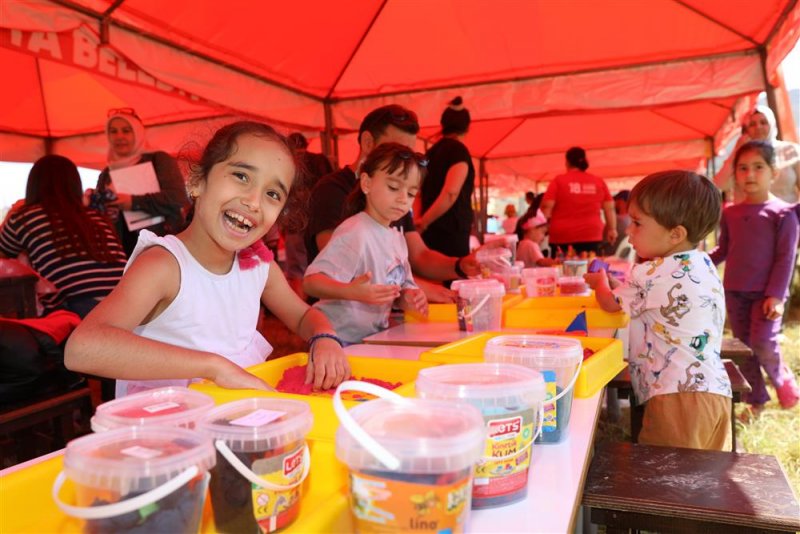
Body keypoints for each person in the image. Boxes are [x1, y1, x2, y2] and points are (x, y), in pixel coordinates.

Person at [65, 121, 350, 397]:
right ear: (197, 182)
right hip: (170, 432)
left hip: (235, 424)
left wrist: (324, 336)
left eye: (272, 194)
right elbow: (82, 349)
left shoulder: (258, 265)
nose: (253, 201)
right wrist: (213, 366)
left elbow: (302, 316)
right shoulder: (165, 265)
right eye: (241, 176)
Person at [584, 170, 732, 451]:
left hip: (676, 398)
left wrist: (600, 283)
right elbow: (646, 296)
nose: (628, 230)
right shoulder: (702, 264)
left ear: (676, 234)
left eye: (637, 223)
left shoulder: (648, 272)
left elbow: (610, 304)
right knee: (699, 483)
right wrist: (616, 284)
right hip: (715, 393)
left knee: (661, 480)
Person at [304, 104, 485, 304]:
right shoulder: (331, 190)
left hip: (380, 321)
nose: (404, 166)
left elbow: (420, 256)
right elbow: (349, 269)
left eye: (410, 193)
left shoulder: (396, 200)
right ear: (367, 142)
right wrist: (413, 288)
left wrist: (460, 265)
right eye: (396, 151)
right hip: (339, 328)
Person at [304, 143, 429, 344]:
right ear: (366, 183)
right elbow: (311, 283)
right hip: (336, 339)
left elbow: (397, 287)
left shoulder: (397, 238)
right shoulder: (356, 231)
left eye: (412, 193)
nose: (403, 198)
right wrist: (350, 291)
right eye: (394, 187)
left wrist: (409, 297)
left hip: (369, 339)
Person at [710, 141, 800, 412]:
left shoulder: (784, 213)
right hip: (735, 291)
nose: (750, 174)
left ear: (774, 172)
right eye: (743, 168)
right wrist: (695, 259)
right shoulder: (730, 213)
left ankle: (784, 381)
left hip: (766, 296)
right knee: (745, 348)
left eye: (758, 167)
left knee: (763, 342)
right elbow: (723, 249)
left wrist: (776, 296)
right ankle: (756, 400)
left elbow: (786, 258)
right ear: (735, 174)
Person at [0, 155, 127, 318]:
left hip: (78, 309)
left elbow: (2, 257)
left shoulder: (25, 218)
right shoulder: (97, 217)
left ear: (33, 185)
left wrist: (12, 214)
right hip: (125, 304)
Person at [94, 108, 190, 256]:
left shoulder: (158, 159)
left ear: (138, 133)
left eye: (126, 131)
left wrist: (133, 202)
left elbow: (177, 198)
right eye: (113, 131)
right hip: (124, 252)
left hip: (162, 248)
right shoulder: (106, 174)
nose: (119, 136)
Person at [416, 96, 475, 258]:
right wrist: (424, 221)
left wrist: (421, 220)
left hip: (429, 232)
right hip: (451, 232)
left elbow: (418, 191)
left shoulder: (431, 153)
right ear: (467, 127)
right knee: (452, 279)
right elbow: (451, 193)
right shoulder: (458, 151)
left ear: (443, 125)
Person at [284, 132, 334, 299]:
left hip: (296, 222)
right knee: (324, 268)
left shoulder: (289, 163)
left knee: (297, 270)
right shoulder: (321, 160)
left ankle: (301, 313)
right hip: (321, 224)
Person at [715, 106, 800, 204]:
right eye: (752, 124)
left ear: (772, 124)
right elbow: (720, 184)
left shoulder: (790, 150)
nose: (758, 127)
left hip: (786, 217)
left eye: (763, 122)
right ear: (746, 130)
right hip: (749, 217)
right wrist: (736, 151)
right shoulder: (741, 156)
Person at [541, 147, 617, 256]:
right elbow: (609, 208)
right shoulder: (597, 181)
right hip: (591, 234)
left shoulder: (559, 180)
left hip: (562, 235)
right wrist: (612, 229)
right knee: (590, 268)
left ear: (567, 162)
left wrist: (543, 229)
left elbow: (546, 207)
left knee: (563, 269)